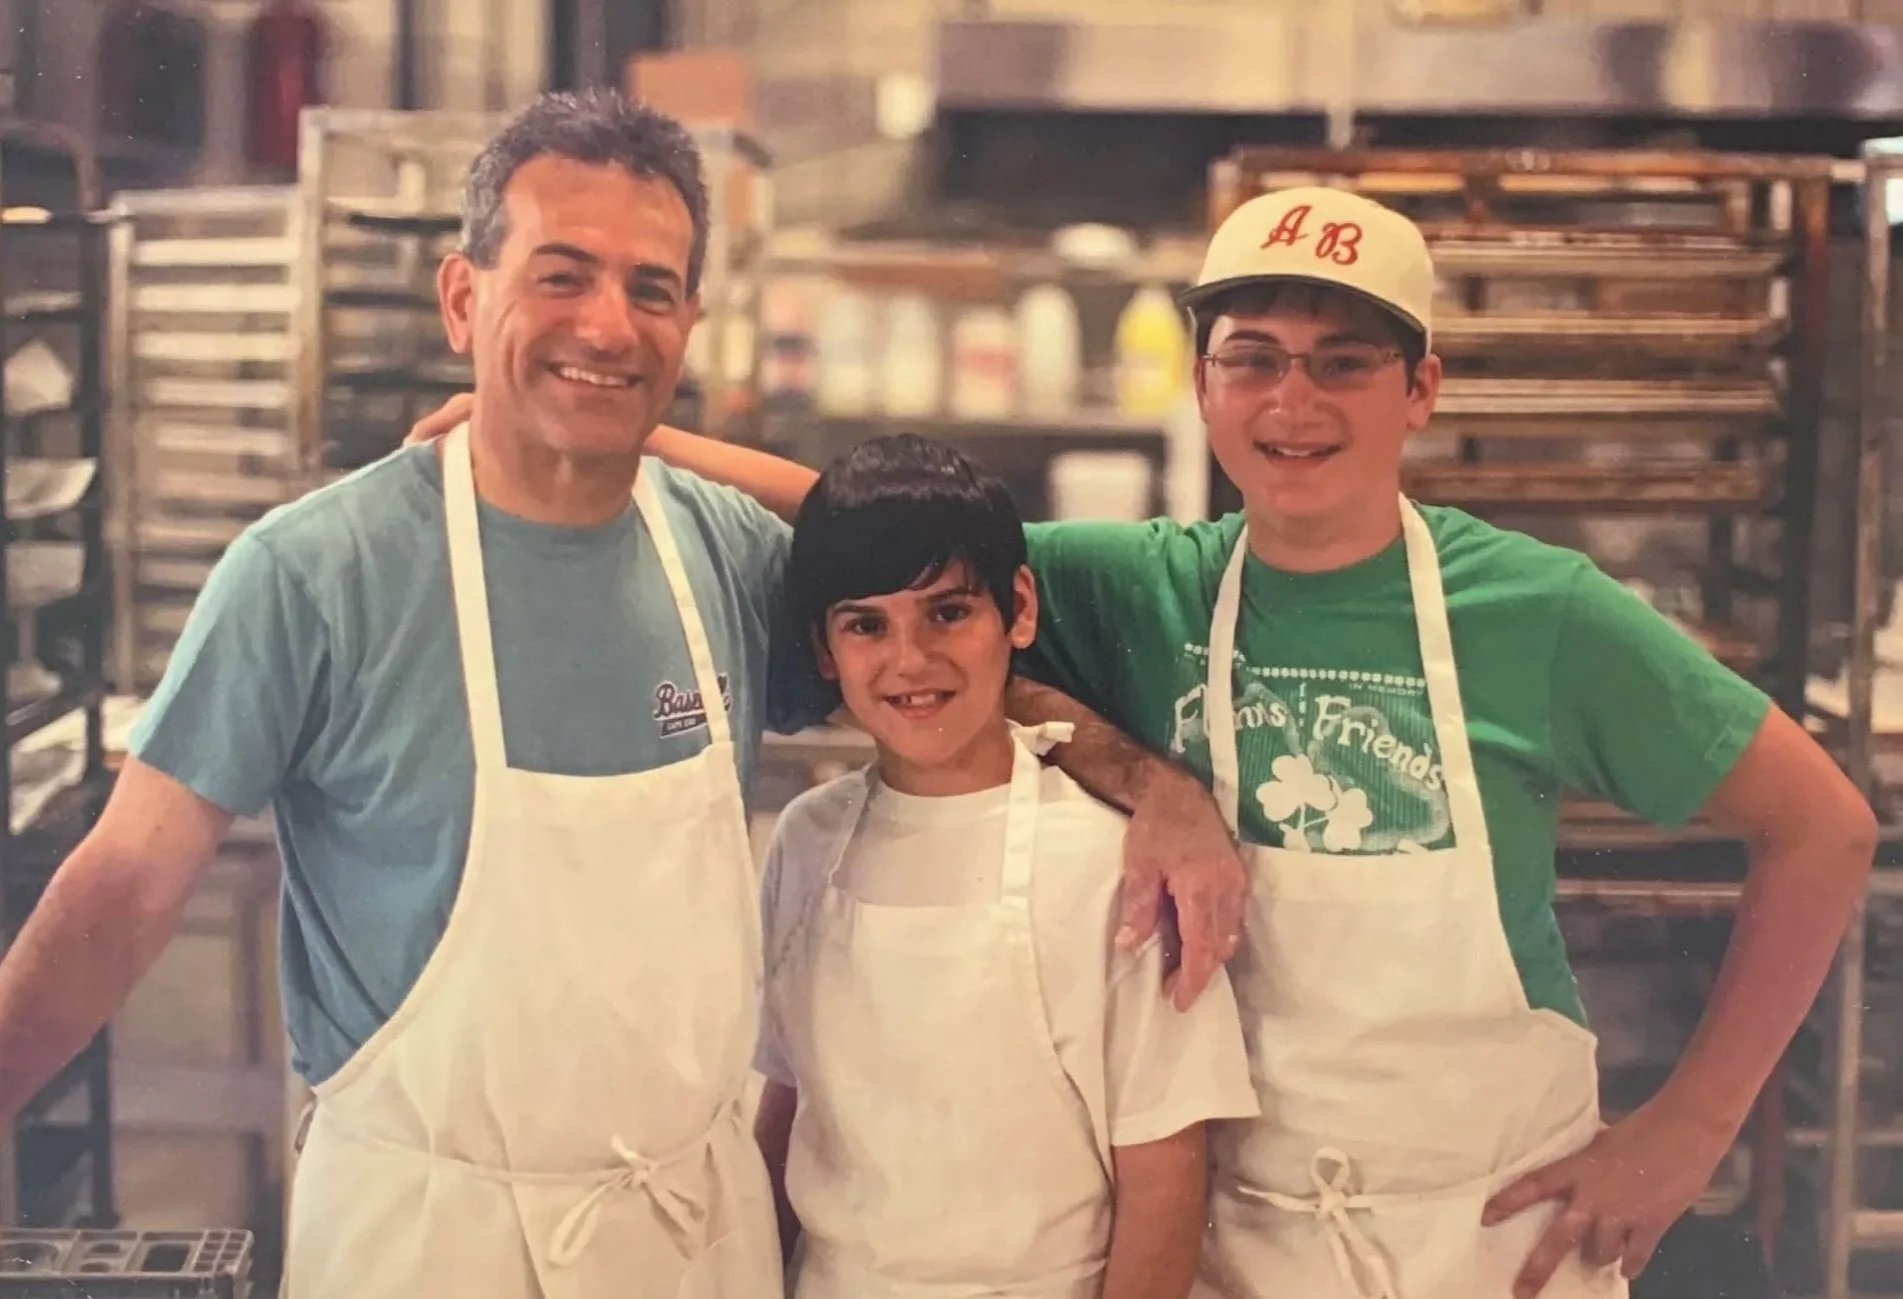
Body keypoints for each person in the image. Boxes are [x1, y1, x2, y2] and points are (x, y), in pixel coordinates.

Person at [502, 185, 1878, 1299]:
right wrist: (570, 433)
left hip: (1490, 1245)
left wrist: (1686, 1129)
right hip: (1241, 1247)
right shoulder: (1145, 585)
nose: (1292, 403)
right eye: (1252, 360)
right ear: (1205, 386)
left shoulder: (1536, 612)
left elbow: (1820, 828)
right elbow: (876, 533)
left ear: (1420, 388)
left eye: (1343, 363)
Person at [0, 87, 1242, 1297]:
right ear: (461, 296)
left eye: (650, 289)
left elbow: (929, 627)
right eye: (562, 275)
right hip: (427, 1236)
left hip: (685, 1235)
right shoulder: (313, 575)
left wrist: (1154, 791)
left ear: (688, 322)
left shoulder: (724, 553)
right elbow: (122, 891)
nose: (607, 325)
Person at [751, 434, 1259, 1299]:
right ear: (824, 649)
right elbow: (790, 1102)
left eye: (947, 613)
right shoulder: (806, 838)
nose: (910, 659)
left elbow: (1165, 1179)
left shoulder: (1110, 862)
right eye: (866, 624)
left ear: (1017, 609)